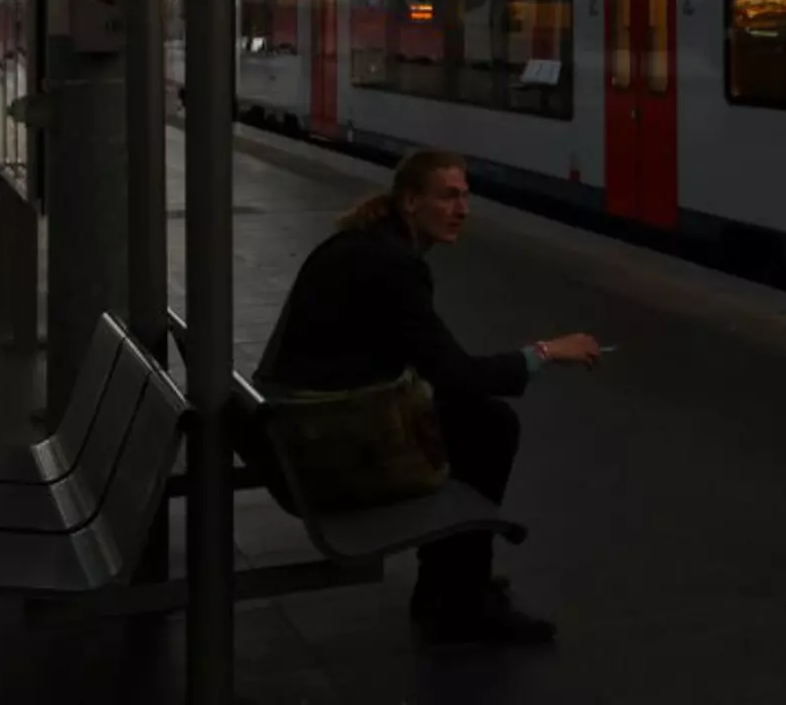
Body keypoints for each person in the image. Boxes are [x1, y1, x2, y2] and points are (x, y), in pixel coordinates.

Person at [258, 149, 602, 648]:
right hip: (323, 441)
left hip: (297, 421)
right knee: (488, 426)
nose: (462, 209)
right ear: (411, 201)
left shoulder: (364, 243)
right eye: (448, 196)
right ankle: (462, 600)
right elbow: (457, 373)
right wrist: (547, 352)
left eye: (465, 196)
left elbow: (425, 360)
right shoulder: (395, 265)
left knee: (473, 419)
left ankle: (449, 584)